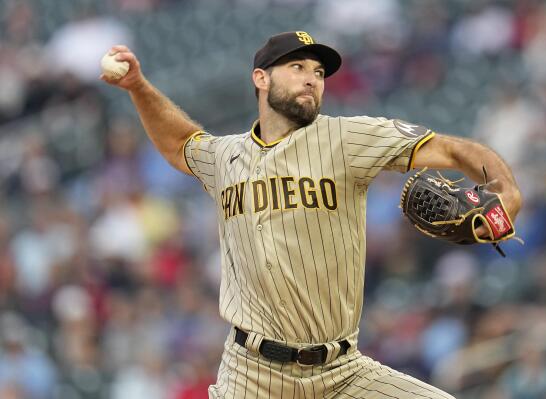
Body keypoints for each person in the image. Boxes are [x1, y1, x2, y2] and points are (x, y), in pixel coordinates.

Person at [102, 31, 521, 399]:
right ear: (260, 79)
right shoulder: (224, 156)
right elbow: (180, 145)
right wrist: (138, 87)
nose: (311, 79)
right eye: (297, 67)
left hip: (342, 372)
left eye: (319, 73)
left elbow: (450, 149)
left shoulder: (346, 137)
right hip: (252, 375)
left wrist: (507, 193)